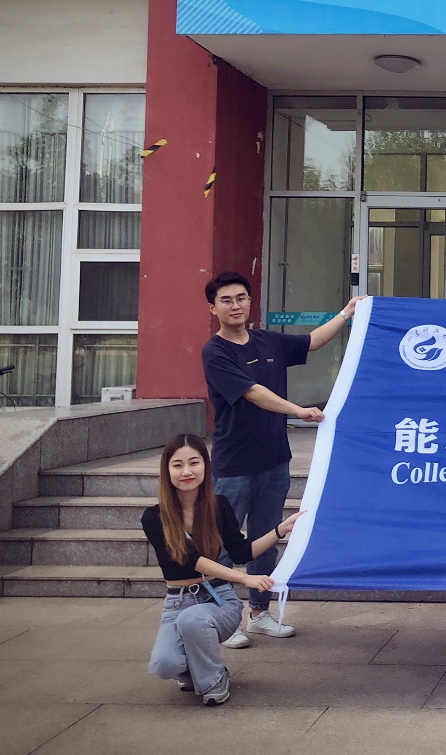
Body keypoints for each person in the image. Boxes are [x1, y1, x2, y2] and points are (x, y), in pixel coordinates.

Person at [201, 270, 363, 647]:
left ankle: (259, 613)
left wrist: (347, 313)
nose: (236, 305)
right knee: (223, 542)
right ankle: (222, 619)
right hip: (234, 465)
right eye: (226, 300)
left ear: (250, 302)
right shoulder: (216, 351)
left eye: (241, 298)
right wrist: (298, 410)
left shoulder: (267, 340)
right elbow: (253, 392)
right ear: (213, 308)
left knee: (267, 536)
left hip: (274, 460)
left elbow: (312, 342)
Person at [143, 434, 304, 706]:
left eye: (194, 463)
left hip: (218, 598)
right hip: (176, 603)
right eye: (178, 465)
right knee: (164, 665)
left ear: (205, 466)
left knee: (193, 620)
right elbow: (190, 559)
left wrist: (280, 530)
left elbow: (241, 552)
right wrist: (245, 578)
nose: (187, 471)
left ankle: (215, 679)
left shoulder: (218, 506)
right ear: (166, 470)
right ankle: (197, 670)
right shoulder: (154, 517)